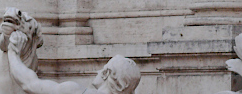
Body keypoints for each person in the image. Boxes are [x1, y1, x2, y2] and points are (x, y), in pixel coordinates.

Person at [7, 31, 141, 94]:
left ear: (106, 73)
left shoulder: (75, 91)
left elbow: (29, 84)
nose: (98, 71)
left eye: (102, 69)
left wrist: (13, 53)